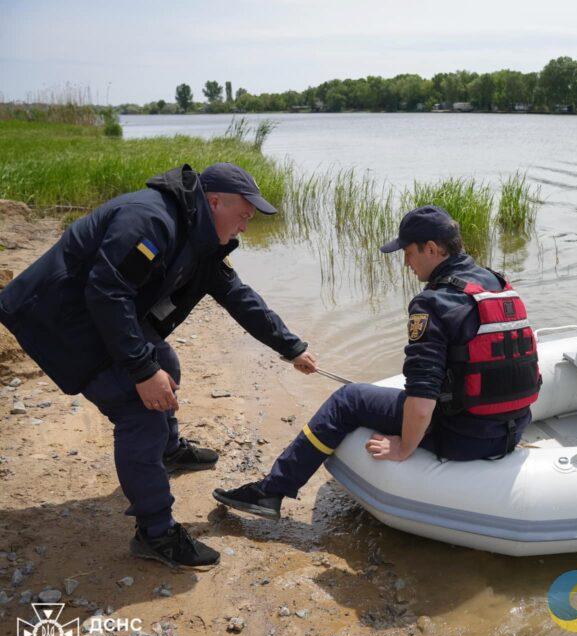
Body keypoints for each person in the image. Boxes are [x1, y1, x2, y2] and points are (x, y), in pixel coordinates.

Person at [0, 163, 317, 568]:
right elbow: (107, 293)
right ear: (214, 201)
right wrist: (142, 372)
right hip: (58, 318)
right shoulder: (151, 220)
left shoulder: (199, 235)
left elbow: (238, 296)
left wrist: (291, 348)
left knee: (164, 360)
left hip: (95, 312)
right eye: (245, 213)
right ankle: (156, 532)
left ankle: (168, 451)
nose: (247, 225)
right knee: (141, 410)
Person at [212, 205, 541, 520]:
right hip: (512, 429)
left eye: (408, 253)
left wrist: (404, 447)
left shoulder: (433, 302)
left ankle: (271, 491)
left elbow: (423, 398)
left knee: (348, 398)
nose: (406, 263)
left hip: (463, 437)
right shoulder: (496, 283)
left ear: (431, 249)